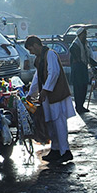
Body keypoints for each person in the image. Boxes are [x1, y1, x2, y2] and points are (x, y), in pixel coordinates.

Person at [25, 35, 76, 163]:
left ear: (36, 45)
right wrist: (31, 93)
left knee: (59, 123)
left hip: (56, 94)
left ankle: (65, 151)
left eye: (31, 49)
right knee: (51, 123)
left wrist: (45, 90)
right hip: (47, 96)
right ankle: (55, 149)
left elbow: (54, 73)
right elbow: (37, 77)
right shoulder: (39, 59)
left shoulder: (50, 55)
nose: (31, 52)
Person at [69, 27, 97, 114]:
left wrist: (96, 64)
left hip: (83, 68)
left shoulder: (85, 45)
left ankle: (81, 105)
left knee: (84, 88)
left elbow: (88, 58)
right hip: (77, 69)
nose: (85, 36)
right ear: (79, 35)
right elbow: (78, 58)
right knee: (78, 89)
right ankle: (78, 106)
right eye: (84, 34)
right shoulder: (74, 45)